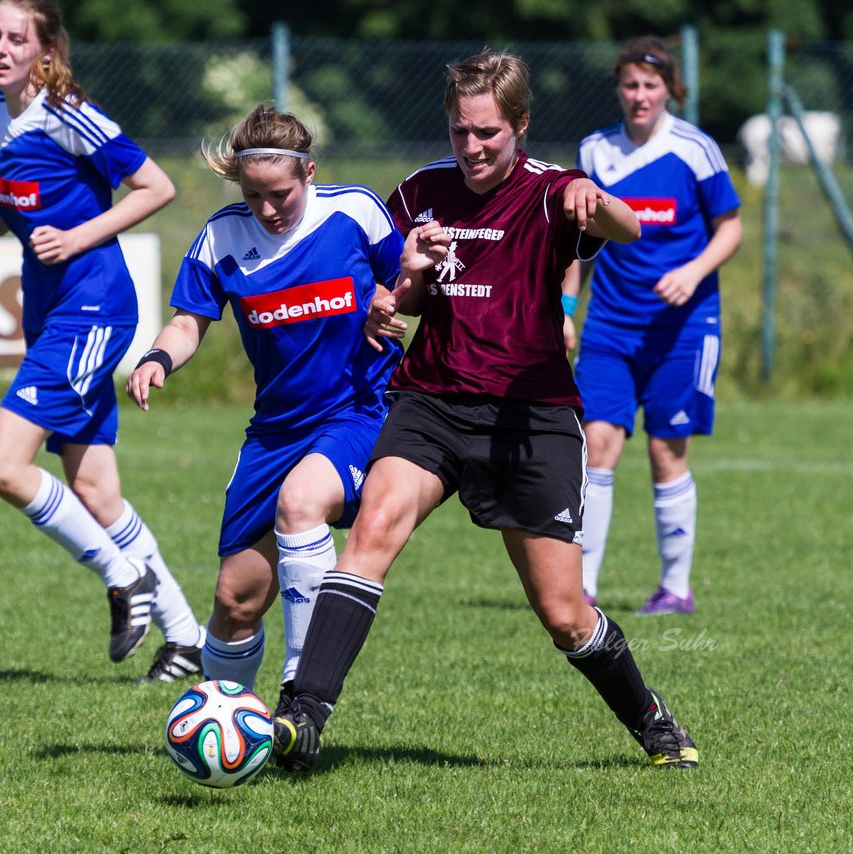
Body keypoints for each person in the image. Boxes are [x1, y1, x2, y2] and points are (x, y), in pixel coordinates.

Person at [271, 48, 700, 773]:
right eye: (460, 131)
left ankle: (650, 718)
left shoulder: (551, 191)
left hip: (528, 416)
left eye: (488, 134)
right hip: (431, 400)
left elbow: (628, 228)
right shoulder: (420, 191)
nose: (471, 148)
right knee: (373, 527)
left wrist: (596, 202)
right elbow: (388, 299)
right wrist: (399, 282)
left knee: (565, 616)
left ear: (521, 125)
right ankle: (303, 715)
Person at [0, 0, 204, 679]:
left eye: (17, 37)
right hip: (50, 313)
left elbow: (155, 186)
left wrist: (78, 236)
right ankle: (186, 637)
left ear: (46, 50)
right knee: (97, 491)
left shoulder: (69, 112)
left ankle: (120, 576)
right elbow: (7, 218)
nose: (0, 47)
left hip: (94, 308)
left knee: (2, 463)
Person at [127, 105, 413, 708]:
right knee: (235, 601)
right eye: (253, 194)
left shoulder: (356, 213)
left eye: (279, 193)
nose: (267, 208)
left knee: (302, 502)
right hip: (274, 430)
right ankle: (225, 718)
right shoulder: (222, 236)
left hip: (359, 410)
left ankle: (300, 697)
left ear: (308, 172)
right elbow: (188, 322)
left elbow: (409, 288)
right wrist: (156, 358)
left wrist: (389, 302)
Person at [563, 36, 743, 616]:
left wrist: (692, 273)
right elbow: (578, 244)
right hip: (610, 326)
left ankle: (675, 588)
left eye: (651, 85)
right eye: (630, 85)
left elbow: (731, 227)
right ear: (618, 88)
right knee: (598, 445)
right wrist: (566, 310)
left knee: (668, 452)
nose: (640, 96)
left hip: (685, 329)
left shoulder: (696, 149)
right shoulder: (595, 152)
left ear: (670, 89)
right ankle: (582, 588)